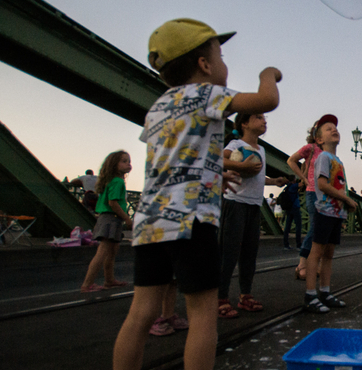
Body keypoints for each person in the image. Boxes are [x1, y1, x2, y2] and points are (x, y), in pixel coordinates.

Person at [113, 18, 281, 370]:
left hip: (151, 222)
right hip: (191, 221)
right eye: (219, 55)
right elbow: (267, 100)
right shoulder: (208, 94)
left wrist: (212, 173)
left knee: (141, 313)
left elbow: (174, 156)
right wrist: (269, 73)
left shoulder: (157, 108)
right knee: (203, 315)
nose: (224, 63)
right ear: (204, 65)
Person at [218, 112, 288, 319]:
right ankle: (221, 298)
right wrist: (241, 166)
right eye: (258, 117)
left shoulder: (262, 150)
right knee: (228, 253)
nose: (264, 120)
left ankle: (245, 295)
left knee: (249, 254)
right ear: (244, 123)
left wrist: (273, 181)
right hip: (235, 203)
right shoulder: (235, 144)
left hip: (254, 205)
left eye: (265, 118)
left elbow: (256, 175)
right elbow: (220, 161)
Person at [304, 116, 357, 313]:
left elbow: (338, 187)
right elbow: (322, 184)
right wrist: (346, 200)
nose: (334, 130)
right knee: (317, 252)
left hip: (335, 213)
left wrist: (346, 203)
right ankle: (310, 294)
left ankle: (324, 292)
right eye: (328, 129)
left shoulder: (338, 161)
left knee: (329, 254)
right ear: (319, 140)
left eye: (335, 128)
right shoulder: (323, 157)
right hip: (324, 210)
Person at [80, 151, 132, 293]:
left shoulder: (111, 180)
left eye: (128, 161)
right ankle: (87, 284)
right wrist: (127, 219)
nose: (128, 164)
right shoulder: (117, 181)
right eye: (124, 161)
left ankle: (109, 280)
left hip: (109, 218)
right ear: (114, 165)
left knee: (112, 252)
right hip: (111, 218)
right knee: (102, 252)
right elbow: (113, 203)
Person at [286, 116, 330, 280]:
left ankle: (314, 263)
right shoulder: (310, 148)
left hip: (326, 195)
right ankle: (303, 263)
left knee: (322, 230)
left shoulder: (329, 152)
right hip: (312, 192)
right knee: (315, 227)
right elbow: (291, 160)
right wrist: (303, 178)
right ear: (316, 134)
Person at [282, 177, 302, 251]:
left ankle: (286, 244)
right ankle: (298, 245)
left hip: (289, 209)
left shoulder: (287, 188)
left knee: (287, 226)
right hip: (295, 208)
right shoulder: (294, 186)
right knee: (298, 226)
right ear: (293, 180)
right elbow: (302, 184)